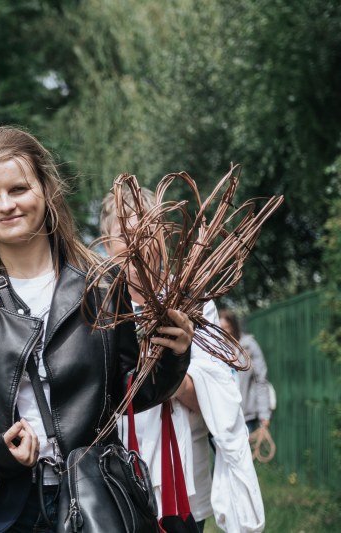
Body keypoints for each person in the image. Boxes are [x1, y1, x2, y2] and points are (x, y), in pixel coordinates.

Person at [0, 126, 195, 533]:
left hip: (90, 500)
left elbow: (129, 392)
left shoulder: (103, 286)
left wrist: (172, 356)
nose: (5, 205)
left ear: (45, 189)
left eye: (18, 189)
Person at [101, 186, 264, 532]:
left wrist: (170, 366)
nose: (137, 242)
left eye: (148, 230)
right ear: (106, 243)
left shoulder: (193, 305)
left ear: (164, 235)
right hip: (113, 483)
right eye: (124, 233)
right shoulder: (96, 309)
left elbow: (218, 398)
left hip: (182, 484)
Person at [219, 310, 272, 433]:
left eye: (227, 327)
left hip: (247, 416)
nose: (224, 332)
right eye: (220, 328)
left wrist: (264, 414)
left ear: (234, 327)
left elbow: (261, 380)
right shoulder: (215, 350)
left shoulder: (248, 346)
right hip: (223, 416)